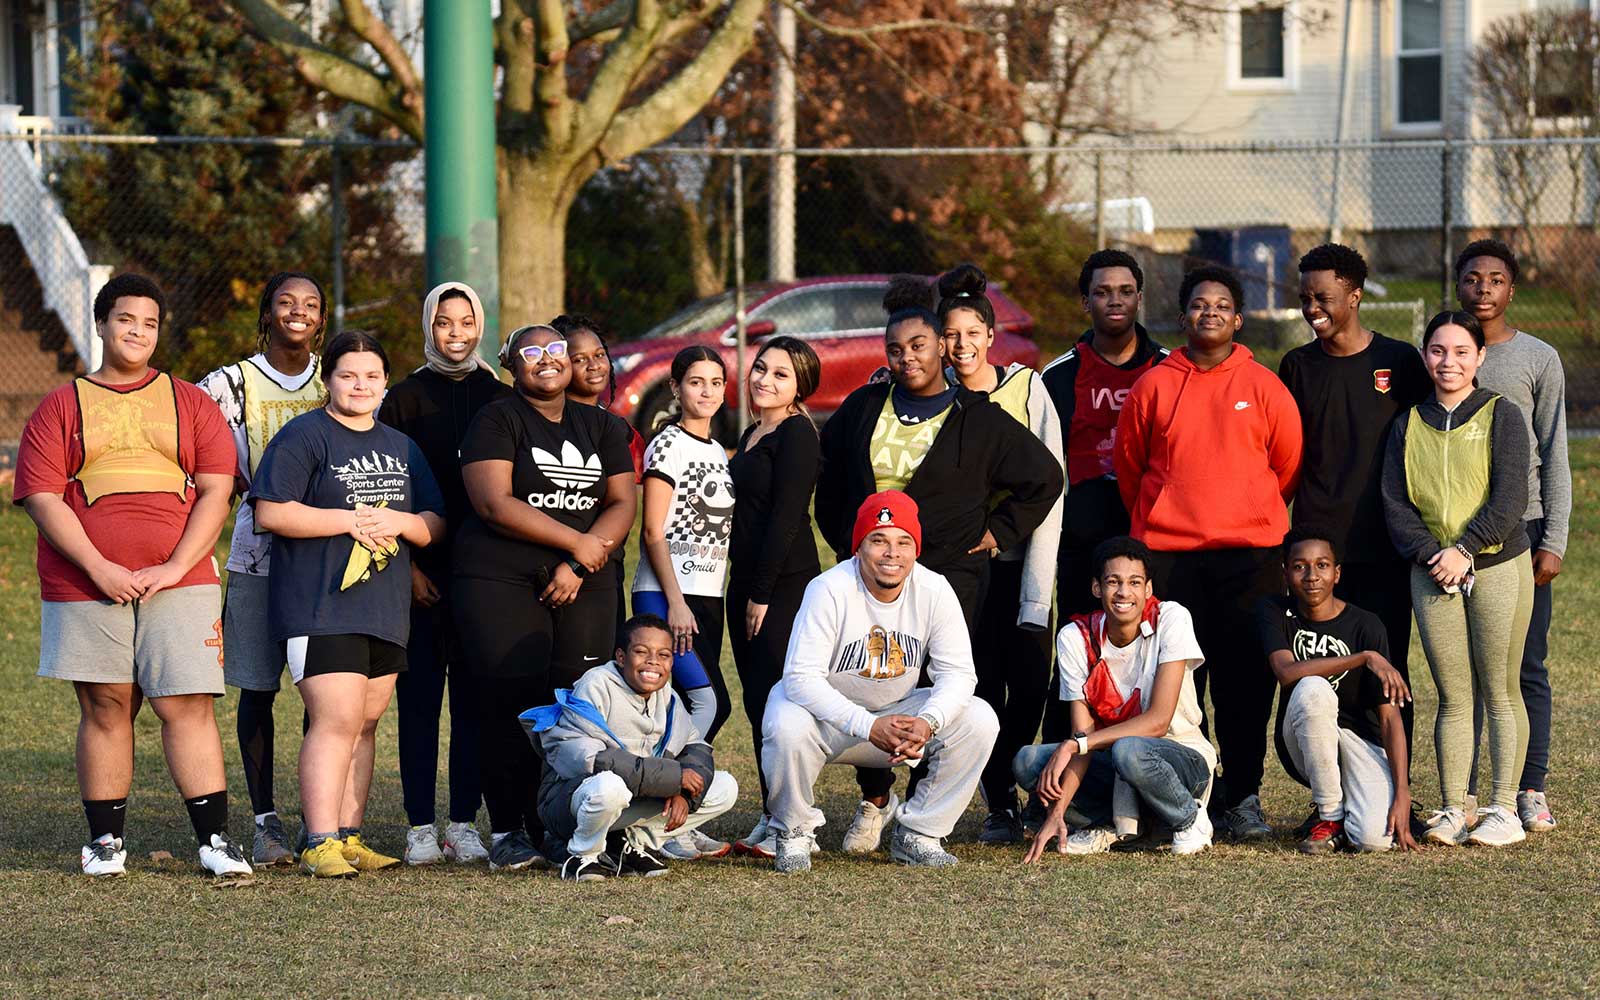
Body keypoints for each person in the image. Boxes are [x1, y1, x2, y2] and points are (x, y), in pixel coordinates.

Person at [15, 272, 252, 879]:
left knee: (186, 704)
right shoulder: (61, 405)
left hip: (182, 580)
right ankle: (105, 844)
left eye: (149, 323)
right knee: (105, 705)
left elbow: (216, 490)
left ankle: (216, 842)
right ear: (101, 324)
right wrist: (98, 566)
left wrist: (175, 565)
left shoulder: (190, 401)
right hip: (85, 582)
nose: (138, 332)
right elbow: (43, 498)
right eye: (125, 320)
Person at [816, 276, 1061, 855]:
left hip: (949, 575)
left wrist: (997, 533)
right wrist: (850, 545)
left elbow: (1044, 477)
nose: (908, 359)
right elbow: (829, 484)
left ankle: (922, 818)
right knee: (869, 684)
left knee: (937, 692)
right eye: (895, 350)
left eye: (919, 346)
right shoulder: (863, 407)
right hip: (869, 580)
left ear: (940, 349)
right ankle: (877, 797)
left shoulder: (976, 417)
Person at [1113, 265, 1302, 841]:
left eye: (1222, 305)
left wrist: (1247, 510)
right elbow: (1130, 467)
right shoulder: (1154, 384)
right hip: (1171, 559)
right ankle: (1182, 800)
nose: (1210, 313)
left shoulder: (1264, 385)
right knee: (1175, 687)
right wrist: (1162, 520)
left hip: (1250, 559)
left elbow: (1287, 465)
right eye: (1199, 305)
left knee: (1245, 684)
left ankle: (1242, 797)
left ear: (1238, 319)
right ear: (1182, 316)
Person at [253, 330, 446, 877]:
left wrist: (402, 522)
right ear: (327, 380)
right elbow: (271, 511)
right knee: (335, 718)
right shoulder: (305, 436)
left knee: (365, 721)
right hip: (320, 607)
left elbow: (433, 521)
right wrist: (352, 520)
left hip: (383, 609)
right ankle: (318, 840)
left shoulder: (401, 446)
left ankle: (349, 835)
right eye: (347, 375)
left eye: (370, 376)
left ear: (385, 382)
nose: (359, 385)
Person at [452, 324, 638, 871]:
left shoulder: (602, 424)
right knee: (514, 702)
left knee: (579, 704)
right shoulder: (496, 418)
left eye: (555, 350)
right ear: (511, 364)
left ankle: (562, 826)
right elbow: (493, 503)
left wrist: (581, 560)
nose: (547, 360)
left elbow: (622, 503)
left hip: (586, 576)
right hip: (500, 577)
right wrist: (574, 542)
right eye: (531, 353)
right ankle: (510, 828)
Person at [761, 492, 1000, 873]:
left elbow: (958, 674)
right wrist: (867, 725)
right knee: (786, 721)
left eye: (903, 542)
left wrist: (928, 721)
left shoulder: (934, 589)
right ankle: (793, 831)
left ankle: (919, 833)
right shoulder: (829, 588)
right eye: (879, 540)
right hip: (832, 721)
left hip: (899, 717)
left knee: (979, 718)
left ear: (916, 550)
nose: (893, 553)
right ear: (859, 548)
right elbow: (801, 677)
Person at [1381, 310, 1532, 848]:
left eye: (1461, 352)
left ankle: (1505, 808)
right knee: (1452, 693)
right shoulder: (1408, 422)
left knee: (1499, 689)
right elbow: (1395, 503)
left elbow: (1511, 496)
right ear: (1425, 356)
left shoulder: (1501, 414)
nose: (1449, 362)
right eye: (1439, 351)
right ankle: (1451, 808)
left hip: (1495, 565)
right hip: (1432, 572)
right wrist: (1434, 555)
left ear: (1480, 357)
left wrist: (1466, 549)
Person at [1278, 245, 1429, 766]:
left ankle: (1391, 790)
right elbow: (1285, 456)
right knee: (1320, 676)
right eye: (1305, 298)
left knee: (1387, 671)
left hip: (1386, 544)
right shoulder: (1296, 365)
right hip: (1319, 552)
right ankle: (1328, 798)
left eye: (1323, 296)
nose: (1311, 307)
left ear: (1355, 296)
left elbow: (1426, 446)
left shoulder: (1400, 360)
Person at [197, 270, 329, 866]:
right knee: (257, 688)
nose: (298, 312)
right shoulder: (229, 385)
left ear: (322, 319)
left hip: (327, 560)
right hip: (256, 556)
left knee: (321, 694)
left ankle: (316, 819)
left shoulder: (339, 379)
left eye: (310, 304)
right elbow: (204, 471)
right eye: (286, 302)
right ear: (267, 313)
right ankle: (264, 822)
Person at [376, 282, 511, 865]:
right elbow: (385, 486)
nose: (456, 335)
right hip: (419, 574)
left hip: (483, 576)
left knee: (475, 702)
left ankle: (463, 822)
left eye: (465, 323)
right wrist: (405, 569)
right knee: (420, 701)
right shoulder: (404, 397)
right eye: (444, 324)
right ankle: (419, 826)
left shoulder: (498, 395)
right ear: (428, 327)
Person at [937, 263, 1065, 845]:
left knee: (1031, 682)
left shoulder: (1026, 388)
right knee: (980, 684)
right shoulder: (933, 395)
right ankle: (998, 803)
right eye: (951, 335)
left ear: (992, 335)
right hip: (963, 574)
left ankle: (1022, 776)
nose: (962, 346)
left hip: (1019, 566)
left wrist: (1004, 533)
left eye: (973, 333)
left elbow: (1050, 481)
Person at [1456, 239, 1569, 832]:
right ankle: (1466, 788)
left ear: (1511, 289)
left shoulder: (1537, 358)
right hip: (1454, 535)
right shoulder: (1443, 354)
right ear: (1458, 286)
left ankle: (1530, 786)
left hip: (1519, 532)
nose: (1482, 290)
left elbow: (1555, 454)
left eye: (1494, 280)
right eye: (1472, 279)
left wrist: (1554, 537)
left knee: (1524, 664)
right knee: (1466, 669)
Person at [1015, 536, 1215, 861]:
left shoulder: (1171, 618)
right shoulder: (1074, 637)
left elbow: (1159, 720)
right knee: (1028, 761)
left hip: (1180, 753)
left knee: (1129, 749)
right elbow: (1084, 738)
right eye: (1113, 582)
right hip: (1114, 759)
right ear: (1097, 588)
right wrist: (1057, 812)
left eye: (1134, 582)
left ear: (1148, 589)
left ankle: (1188, 818)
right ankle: (1105, 824)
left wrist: (1077, 744)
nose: (1124, 592)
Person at [522, 614, 739, 881]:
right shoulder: (595, 685)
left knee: (724, 788)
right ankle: (582, 855)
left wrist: (682, 792)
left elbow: (695, 748)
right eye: (641, 652)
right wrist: (673, 779)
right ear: (622, 657)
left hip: (632, 795)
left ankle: (627, 843)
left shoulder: (668, 696)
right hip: (571, 801)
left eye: (664, 655)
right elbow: (593, 761)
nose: (653, 662)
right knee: (608, 786)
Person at [631, 346, 736, 861]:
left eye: (716, 382)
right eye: (696, 382)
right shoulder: (666, 445)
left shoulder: (717, 451)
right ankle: (669, 808)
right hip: (667, 593)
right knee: (710, 701)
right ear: (675, 388)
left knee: (686, 707)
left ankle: (672, 817)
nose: (707, 391)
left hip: (707, 593)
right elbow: (652, 531)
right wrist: (673, 602)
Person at [1258, 525, 1416, 854]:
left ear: (1337, 572)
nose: (1312, 575)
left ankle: (1346, 820)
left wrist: (1403, 791)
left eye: (1322, 565)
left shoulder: (1366, 624)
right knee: (1313, 688)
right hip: (1304, 737)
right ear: (1285, 573)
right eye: (1300, 566)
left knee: (1373, 839)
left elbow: (1389, 719)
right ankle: (1329, 815)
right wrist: (1363, 658)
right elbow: (1286, 673)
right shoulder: (1277, 611)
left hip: (1358, 743)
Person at [725, 336, 824, 859]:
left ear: (800, 387)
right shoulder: (752, 431)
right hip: (744, 579)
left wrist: (761, 593)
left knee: (780, 701)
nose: (764, 379)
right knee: (756, 697)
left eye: (780, 374)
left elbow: (787, 519)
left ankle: (793, 816)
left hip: (781, 585)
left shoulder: (797, 435)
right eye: (761, 368)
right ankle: (773, 813)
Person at [554, 312, 646, 640]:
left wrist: (584, 562)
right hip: (552, 568)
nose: (594, 365)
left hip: (601, 567)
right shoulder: (544, 422)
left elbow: (622, 505)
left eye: (599, 355)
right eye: (579, 359)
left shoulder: (619, 429)